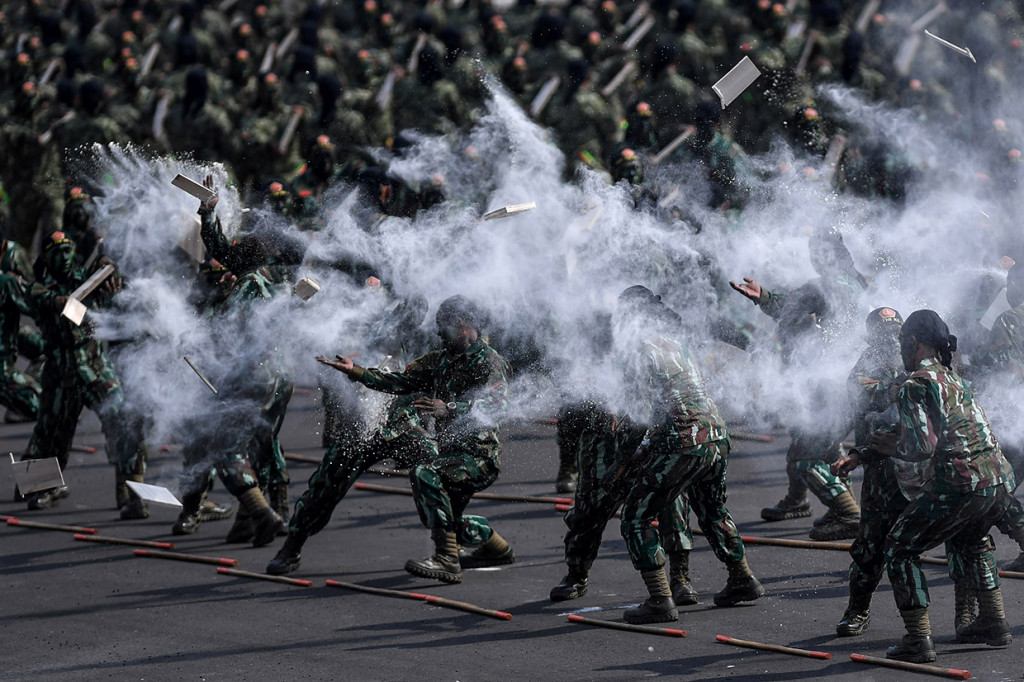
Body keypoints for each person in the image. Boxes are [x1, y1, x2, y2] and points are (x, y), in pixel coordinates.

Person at [270, 295, 514, 584]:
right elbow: (398, 379)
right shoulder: (351, 317)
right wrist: (356, 371)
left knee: (437, 499)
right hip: (363, 425)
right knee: (325, 485)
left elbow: (496, 401)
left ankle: (479, 546)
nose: (437, 331)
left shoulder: (440, 338)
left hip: (406, 426)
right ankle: (292, 546)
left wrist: (448, 407)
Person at [866, 310, 1014, 663]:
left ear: (914, 343)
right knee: (973, 538)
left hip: (961, 482)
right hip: (997, 478)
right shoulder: (953, 377)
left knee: (899, 548)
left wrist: (891, 447)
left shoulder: (915, 384)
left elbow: (921, 447)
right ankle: (995, 623)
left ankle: (918, 639)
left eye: (903, 342)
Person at [614, 286, 763, 625]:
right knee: (712, 511)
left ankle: (659, 598)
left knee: (635, 517)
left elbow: (639, 415)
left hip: (684, 442)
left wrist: (624, 459)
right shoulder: (675, 344)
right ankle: (742, 578)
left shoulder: (638, 351)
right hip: (716, 434)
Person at [730, 227, 866, 541]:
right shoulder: (857, 281)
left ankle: (847, 512)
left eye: (818, 252)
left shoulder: (824, 286)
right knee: (814, 438)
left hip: (833, 383)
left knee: (806, 454)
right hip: (847, 379)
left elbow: (787, 308)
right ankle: (799, 501)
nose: (814, 258)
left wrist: (762, 295)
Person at [830, 307, 907, 637]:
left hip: (922, 470)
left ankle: (970, 611)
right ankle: (857, 610)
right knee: (870, 545)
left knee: (962, 541)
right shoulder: (868, 363)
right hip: (881, 471)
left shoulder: (918, 359)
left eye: (895, 331)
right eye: (883, 332)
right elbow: (861, 390)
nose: (890, 338)